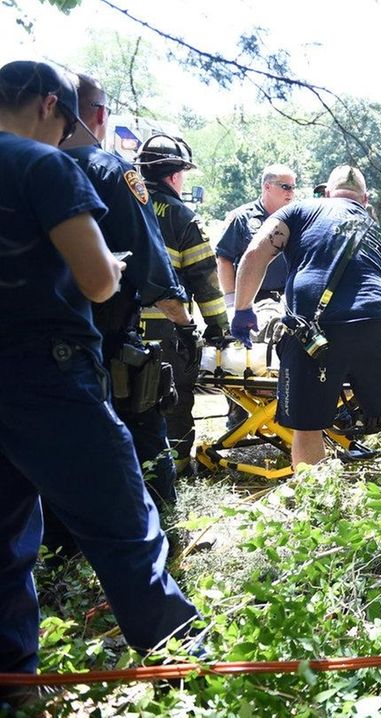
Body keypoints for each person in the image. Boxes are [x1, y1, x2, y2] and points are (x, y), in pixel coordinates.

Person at [0, 60, 198, 696]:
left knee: (5, 540)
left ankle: (13, 683)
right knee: (123, 521)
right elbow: (95, 279)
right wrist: (109, 264)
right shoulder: (43, 164)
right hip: (46, 372)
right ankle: (186, 663)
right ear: (52, 106)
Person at [230, 165, 381, 468]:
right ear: (365, 199)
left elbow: (256, 252)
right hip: (373, 324)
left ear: (327, 192)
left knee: (307, 425)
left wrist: (242, 308)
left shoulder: (297, 211)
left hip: (311, 330)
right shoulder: (379, 233)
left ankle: (314, 498)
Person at [60, 73, 189, 507]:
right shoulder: (111, 171)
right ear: (99, 115)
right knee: (144, 436)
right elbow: (152, 268)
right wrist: (185, 323)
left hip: (30, 345)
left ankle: (59, 553)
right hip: (104, 344)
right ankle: (163, 531)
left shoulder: (19, 168)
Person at [136, 133, 231, 474]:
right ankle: (175, 469)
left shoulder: (116, 206)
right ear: (175, 176)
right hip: (167, 330)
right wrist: (219, 328)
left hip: (116, 327)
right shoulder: (182, 216)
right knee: (173, 399)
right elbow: (205, 282)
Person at [216, 163, 296, 305]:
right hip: (251, 298)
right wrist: (231, 300)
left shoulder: (297, 217)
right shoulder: (242, 217)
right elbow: (224, 259)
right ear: (267, 186)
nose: (290, 192)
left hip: (288, 298)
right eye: (285, 187)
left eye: (293, 187)